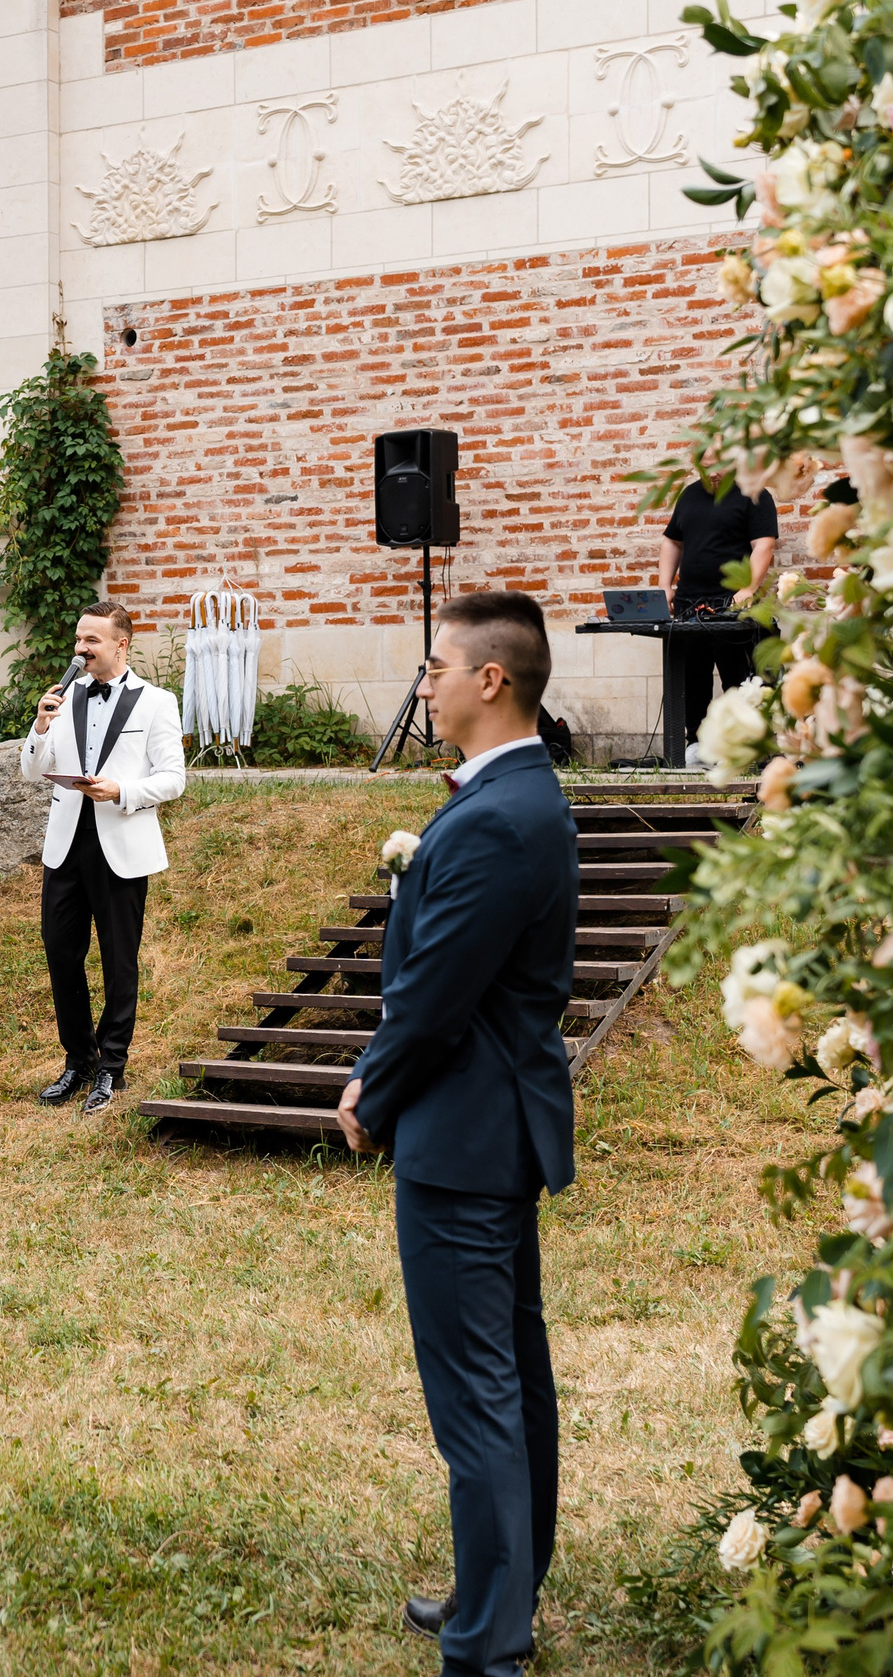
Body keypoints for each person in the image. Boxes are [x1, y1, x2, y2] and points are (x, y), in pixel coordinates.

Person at [334, 590, 578, 1677]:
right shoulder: (517, 797)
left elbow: (432, 993)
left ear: (491, 680)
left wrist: (367, 1094)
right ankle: (495, 1589)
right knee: (508, 1375)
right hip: (495, 1124)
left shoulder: (495, 816)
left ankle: (490, 1642)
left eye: (435, 667)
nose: (421, 684)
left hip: (465, 1133)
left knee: (476, 1389)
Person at [18, 599, 187, 1114]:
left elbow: (173, 779)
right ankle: (78, 1061)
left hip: (121, 846)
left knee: (119, 961)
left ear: (121, 644)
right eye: (78, 639)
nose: (80, 649)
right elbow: (31, 771)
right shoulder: (62, 698)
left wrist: (121, 791)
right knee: (60, 953)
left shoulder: (157, 701)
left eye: (91, 640)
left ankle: (111, 1069)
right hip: (64, 846)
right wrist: (41, 727)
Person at [658, 471, 779, 750]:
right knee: (691, 679)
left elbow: (764, 544)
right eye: (706, 465)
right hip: (689, 606)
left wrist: (748, 589)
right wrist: (664, 585)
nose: (712, 472)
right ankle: (694, 746)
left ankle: (743, 748)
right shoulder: (689, 495)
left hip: (732, 606)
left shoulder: (754, 494)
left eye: (719, 463)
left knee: (739, 681)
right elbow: (672, 541)